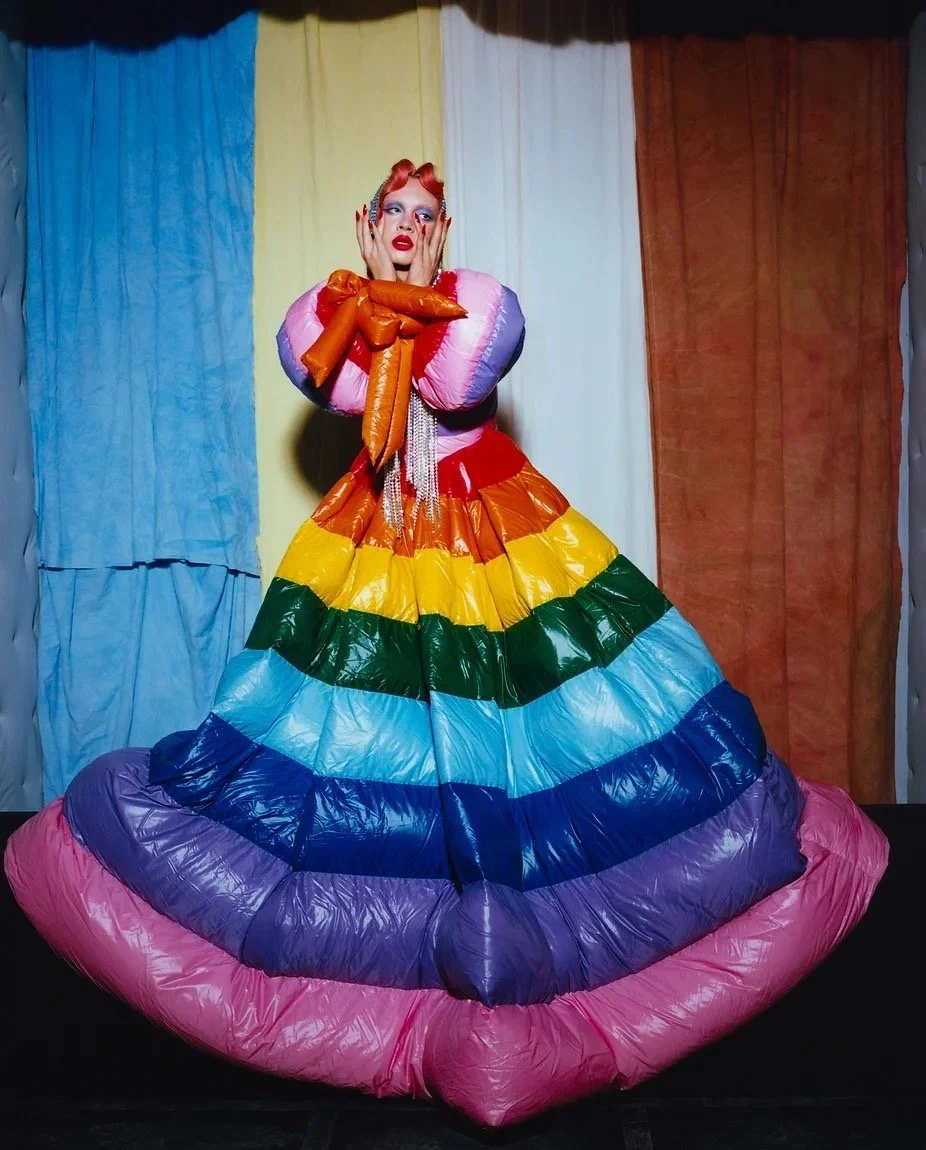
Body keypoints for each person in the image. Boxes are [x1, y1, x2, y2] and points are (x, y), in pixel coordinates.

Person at [5, 159, 889, 1127]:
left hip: (488, 532)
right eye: (393, 211)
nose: (407, 225)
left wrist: (412, 294)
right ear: (366, 221)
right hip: (377, 539)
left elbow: (463, 366)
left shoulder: (461, 309)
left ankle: (533, 943)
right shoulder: (348, 315)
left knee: (539, 716)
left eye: (424, 215)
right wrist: (374, 295)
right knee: (350, 732)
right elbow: (324, 373)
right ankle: (417, 963)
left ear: (443, 231)